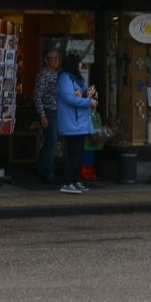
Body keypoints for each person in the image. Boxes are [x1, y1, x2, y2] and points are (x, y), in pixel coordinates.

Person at [54, 52, 98, 195]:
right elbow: (69, 98)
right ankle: (67, 182)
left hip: (80, 123)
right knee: (74, 153)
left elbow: (80, 94)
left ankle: (74, 180)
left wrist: (88, 94)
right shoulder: (65, 78)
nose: (81, 66)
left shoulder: (77, 79)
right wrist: (88, 102)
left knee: (79, 153)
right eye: (79, 64)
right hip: (72, 122)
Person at [32, 47, 62, 184]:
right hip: (48, 110)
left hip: (57, 110)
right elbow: (37, 96)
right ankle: (48, 171)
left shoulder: (58, 75)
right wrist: (42, 115)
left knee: (51, 141)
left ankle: (41, 167)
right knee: (51, 141)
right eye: (53, 58)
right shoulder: (43, 75)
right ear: (46, 60)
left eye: (57, 58)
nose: (56, 60)